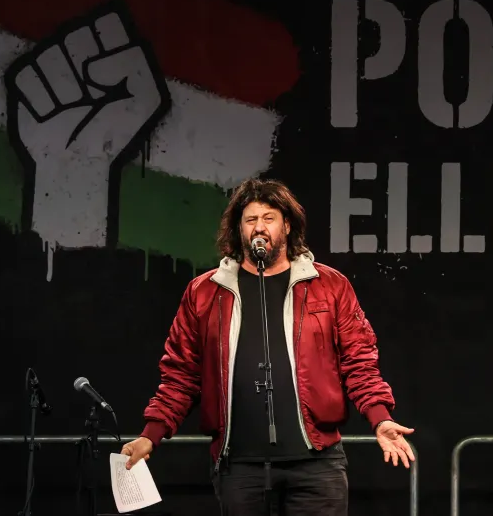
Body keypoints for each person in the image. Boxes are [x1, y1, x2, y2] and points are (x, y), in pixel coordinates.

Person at [121, 178, 414, 515]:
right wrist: (151, 434)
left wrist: (380, 419)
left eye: (269, 218)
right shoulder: (205, 292)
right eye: (250, 220)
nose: (259, 227)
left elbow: (359, 361)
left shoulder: (329, 286)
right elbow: (181, 374)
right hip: (239, 466)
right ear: (239, 229)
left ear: (287, 225)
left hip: (317, 464)